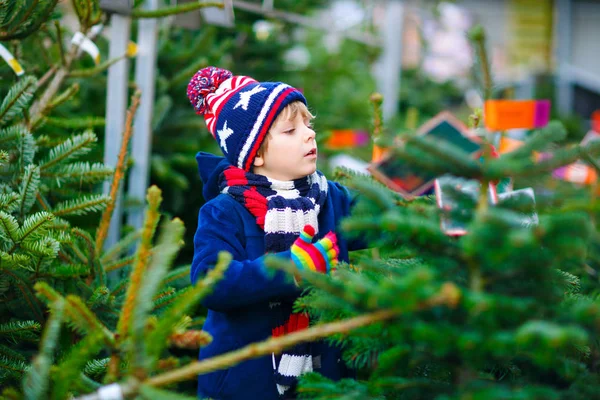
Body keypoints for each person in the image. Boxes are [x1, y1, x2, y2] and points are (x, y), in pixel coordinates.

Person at [187, 67, 363, 400]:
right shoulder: (225, 212)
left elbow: (379, 219)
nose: (309, 135)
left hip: (325, 377)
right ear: (257, 154)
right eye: (290, 130)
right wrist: (288, 266)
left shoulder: (329, 198)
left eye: (308, 125)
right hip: (246, 383)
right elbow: (210, 283)